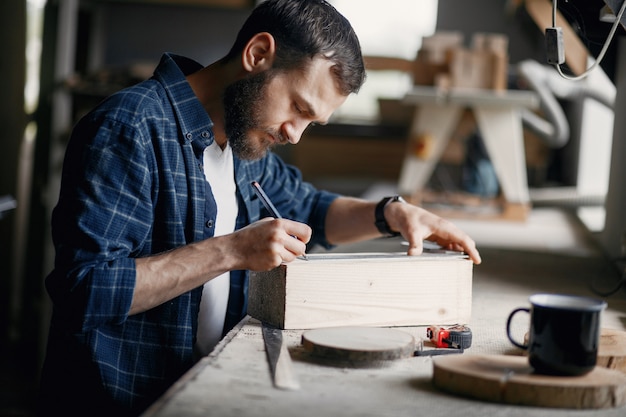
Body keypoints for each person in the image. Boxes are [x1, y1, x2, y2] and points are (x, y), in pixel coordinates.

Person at [38, 0, 481, 415]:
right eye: (298, 107)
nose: (295, 134)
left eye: (313, 122)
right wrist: (231, 251)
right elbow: (84, 289)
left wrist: (391, 214)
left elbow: (310, 208)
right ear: (258, 53)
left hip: (201, 392)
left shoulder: (242, 141)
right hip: (122, 402)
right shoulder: (130, 127)